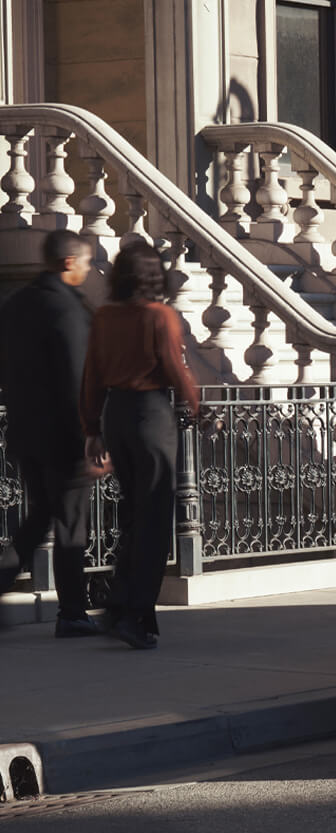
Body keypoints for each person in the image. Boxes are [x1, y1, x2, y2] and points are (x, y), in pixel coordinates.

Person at [80, 240, 201, 650]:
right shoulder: (159, 315)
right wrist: (198, 406)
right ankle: (136, 615)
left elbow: (91, 374)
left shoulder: (104, 316)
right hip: (151, 414)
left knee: (132, 515)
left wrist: (92, 429)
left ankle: (118, 605)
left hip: (115, 413)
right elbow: (173, 366)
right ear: (155, 276)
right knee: (153, 521)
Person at [0, 230, 101, 638]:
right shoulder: (68, 309)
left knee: (39, 516)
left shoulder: (16, 304)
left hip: (25, 430)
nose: (89, 269)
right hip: (65, 434)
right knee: (71, 525)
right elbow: (78, 378)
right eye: (86, 262)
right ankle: (73, 612)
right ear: (67, 263)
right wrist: (91, 434)